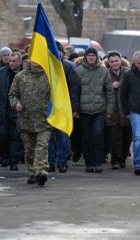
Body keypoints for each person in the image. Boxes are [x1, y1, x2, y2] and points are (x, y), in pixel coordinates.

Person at [8, 61, 52, 186]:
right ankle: (32, 172)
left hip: (44, 119)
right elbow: (12, 94)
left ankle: (41, 171)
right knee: (29, 148)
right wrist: (16, 104)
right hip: (25, 119)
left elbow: (58, 96)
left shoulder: (49, 76)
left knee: (42, 146)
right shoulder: (20, 76)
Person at [75, 47, 115, 173]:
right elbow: (75, 92)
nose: (91, 57)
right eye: (89, 55)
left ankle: (98, 162)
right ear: (85, 57)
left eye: (93, 55)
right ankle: (89, 163)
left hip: (99, 109)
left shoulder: (103, 71)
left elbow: (109, 92)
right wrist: (75, 109)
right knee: (86, 137)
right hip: (84, 110)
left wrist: (109, 110)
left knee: (98, 135)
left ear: (96, 57)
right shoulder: (78, 71)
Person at [0, 51, 24, 171]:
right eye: (10, 61)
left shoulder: (24, 75)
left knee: (16, 136)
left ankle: (14, 161)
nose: (11, 63)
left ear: (20, 62)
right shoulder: (0, 73)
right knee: (1, 135)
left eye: (14, 61)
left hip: (18, 110)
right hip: (2, 109)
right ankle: (4, 156)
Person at [47, 41, 80, 173]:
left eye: (58, 50)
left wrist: (74, 108)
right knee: (48, 137)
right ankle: (50, 162)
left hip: (64, 108)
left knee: (63, 136)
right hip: (48, 107)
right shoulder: (45, 67)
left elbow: (74, 89)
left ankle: (62, 161)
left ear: (61, 52)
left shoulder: (68, 68)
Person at [105, 51, 132, 169]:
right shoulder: (105, 73)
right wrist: (111, 85)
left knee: (127, 136)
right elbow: (101, 88)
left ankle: (123, 158)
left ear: (120, 60)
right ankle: (115, 160)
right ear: (109, 63)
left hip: (126, 109)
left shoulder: (128, 72)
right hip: (113, 109)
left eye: (116, 61)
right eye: (112, 61)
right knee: (114, 137)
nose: (115, 63)